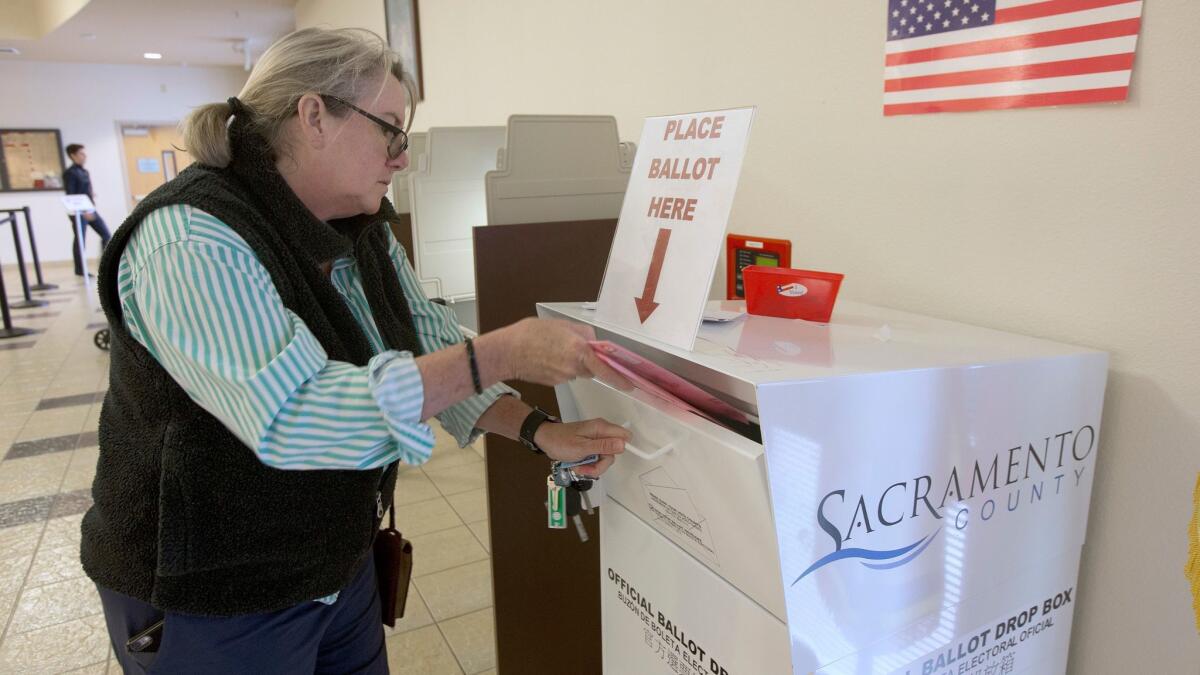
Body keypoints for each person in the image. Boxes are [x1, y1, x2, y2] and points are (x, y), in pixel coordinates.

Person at [83, 27, 630, 674]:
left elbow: (428, 341)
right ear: (314, 116)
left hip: (334, 562)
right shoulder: (190, 239)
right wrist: (499, 353)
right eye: (391, 130)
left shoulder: (357, 224)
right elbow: (293, 415)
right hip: (210, 591)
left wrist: (539, 429)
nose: (402, 157)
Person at [63, 143, 113, 276]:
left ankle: (106, 265)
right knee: (80, 240)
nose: (85, 156)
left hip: (90, 209)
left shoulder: (84, 171)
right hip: (80, 212)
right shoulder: (70, 173)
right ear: (73, 155)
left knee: (107, 235)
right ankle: (80, 270)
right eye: (81, 153)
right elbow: (72, 194)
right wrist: (84, 211)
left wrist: (91, 195)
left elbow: (84, 190)